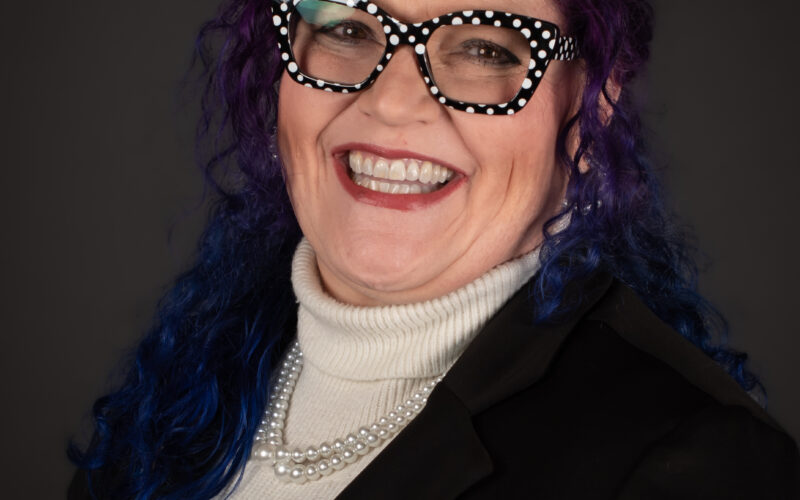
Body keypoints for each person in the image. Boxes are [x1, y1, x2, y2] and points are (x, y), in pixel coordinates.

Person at [68, 0, 800, 498]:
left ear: (590, 103)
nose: (392, 101)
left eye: (483, 46)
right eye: (348, 26)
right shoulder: (172, 397)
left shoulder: (697, 466)